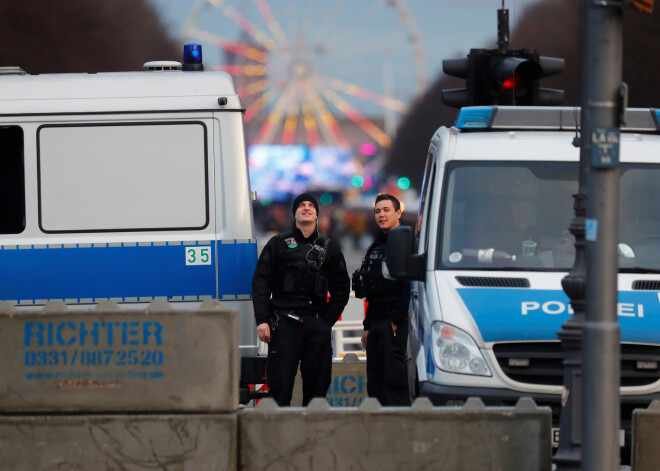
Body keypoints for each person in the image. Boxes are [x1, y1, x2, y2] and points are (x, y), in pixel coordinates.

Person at [252, 193, 350, 406]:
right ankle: (279, 436)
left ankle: (313, 436)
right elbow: (260, 283)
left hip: (317, 326)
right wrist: (262, 320)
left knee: (317, 391)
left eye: (310, 206)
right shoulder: (277, 244)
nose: (306, 208)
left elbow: (342, 288)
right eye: (301, 206)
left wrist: (326, 321)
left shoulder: (329, 248)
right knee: (279, 388)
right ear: (294, 213)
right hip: (284, 324)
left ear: (317, 213)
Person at [355, 193, 411, 406]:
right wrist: (367, 326)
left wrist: (396, 320)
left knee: (394, 383)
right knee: (375, 384)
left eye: (386, 210)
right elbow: (373, 290)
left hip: (395, 324)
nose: (381, 215)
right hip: (377, 323)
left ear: (398, 213)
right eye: (377, 211)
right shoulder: (376, 244)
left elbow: (408, 285)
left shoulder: (407, 242)